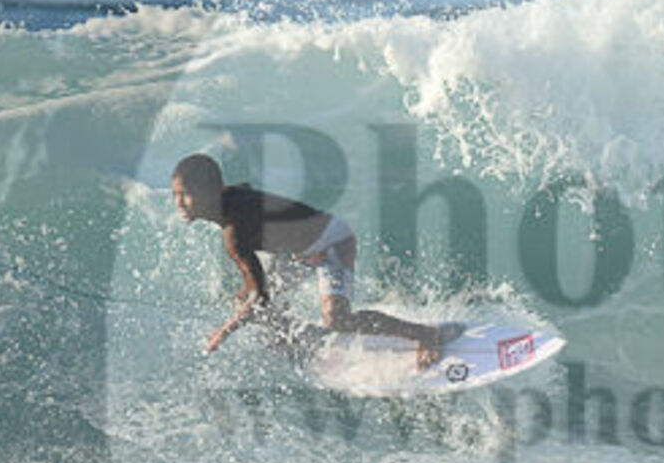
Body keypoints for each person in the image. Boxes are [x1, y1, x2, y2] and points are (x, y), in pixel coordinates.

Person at [171, 153, 456, 368]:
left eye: (186, 194)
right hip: (299, 251)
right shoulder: (228, 197)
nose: (179, 202)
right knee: (244, 301)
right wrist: (294, 248)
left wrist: (222, 333)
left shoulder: (233, 233)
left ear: (211, 190)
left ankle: (425, 334)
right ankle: (299, 345)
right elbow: (260, 206)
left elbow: (261, 297)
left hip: (332, 241)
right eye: (176, 194)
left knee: (337, 319)